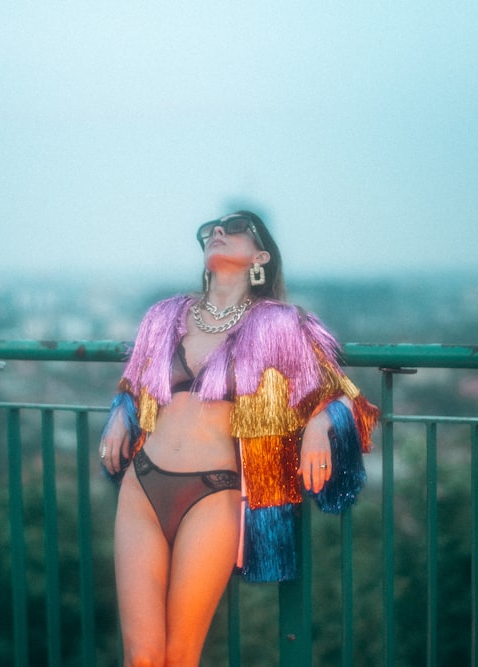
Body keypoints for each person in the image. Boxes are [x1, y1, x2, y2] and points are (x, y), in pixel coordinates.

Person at [99, 210, 379, 666]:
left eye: (235, 228)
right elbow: (135, 387)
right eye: (212, 229)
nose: (218, 232)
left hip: (213, 493)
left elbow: (349, 401)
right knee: (143, 657)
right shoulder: (164, 315)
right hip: (142, 484)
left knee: (180, 654)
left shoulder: (280, 325)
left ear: (260, 257)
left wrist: (318, 425)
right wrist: (119, 413)